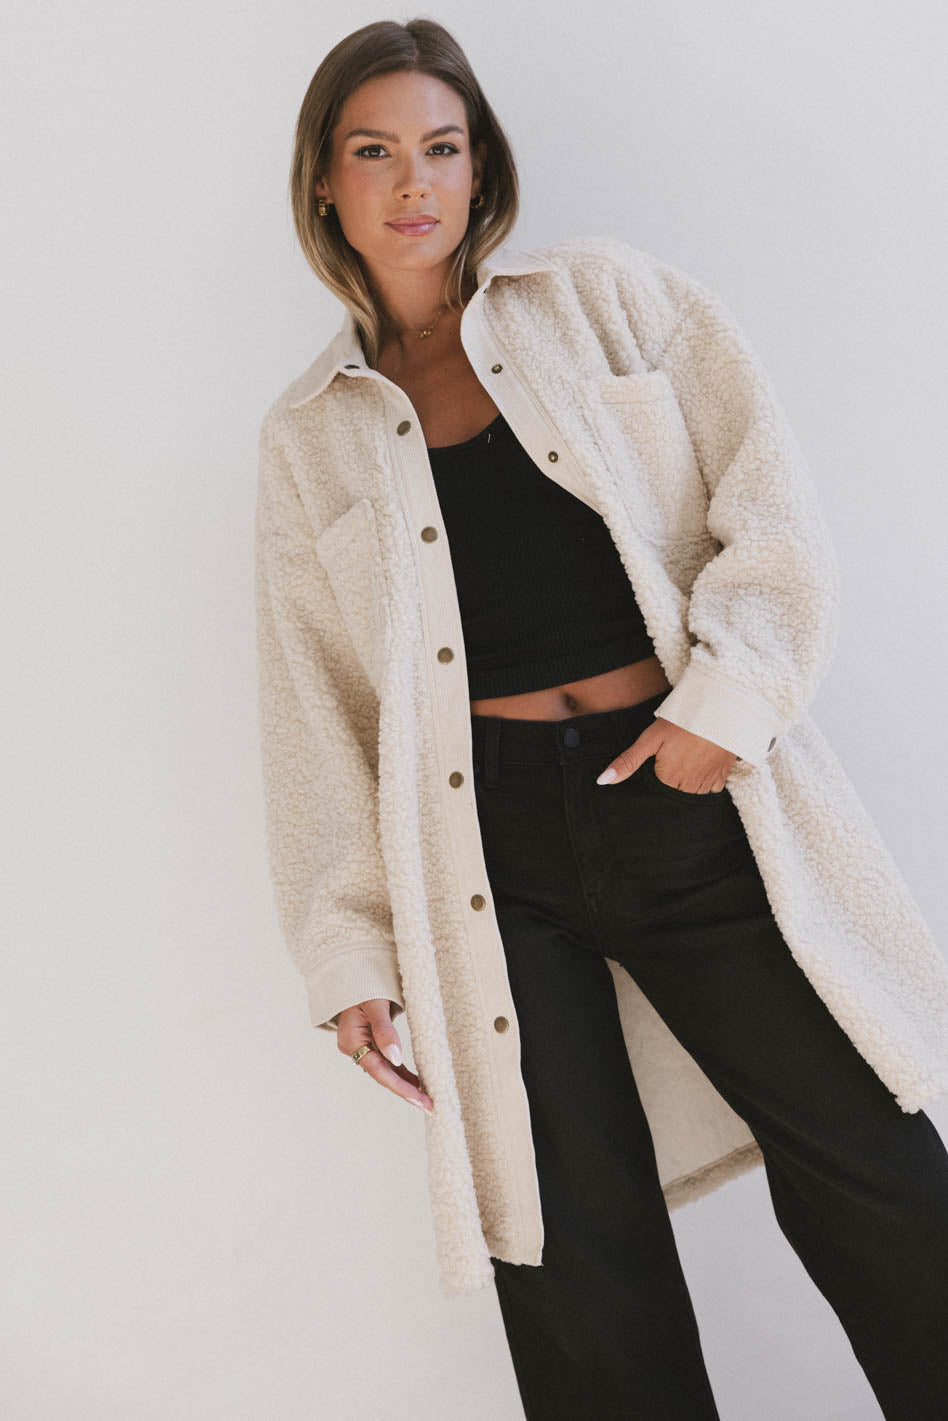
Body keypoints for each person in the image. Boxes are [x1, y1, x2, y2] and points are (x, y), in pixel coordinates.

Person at [254, 17, 948, 1419]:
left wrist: (728, 705)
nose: (413, 183)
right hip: (490, 855)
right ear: (325, 179)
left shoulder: (609, 302)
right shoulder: (312, 431)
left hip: (686, 795)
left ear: (482, 165)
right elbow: (314, 702)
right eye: (374, 152)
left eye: (442, 147)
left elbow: (770, 505)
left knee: (876, 1166)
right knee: (572, 1240)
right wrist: (350, 946)